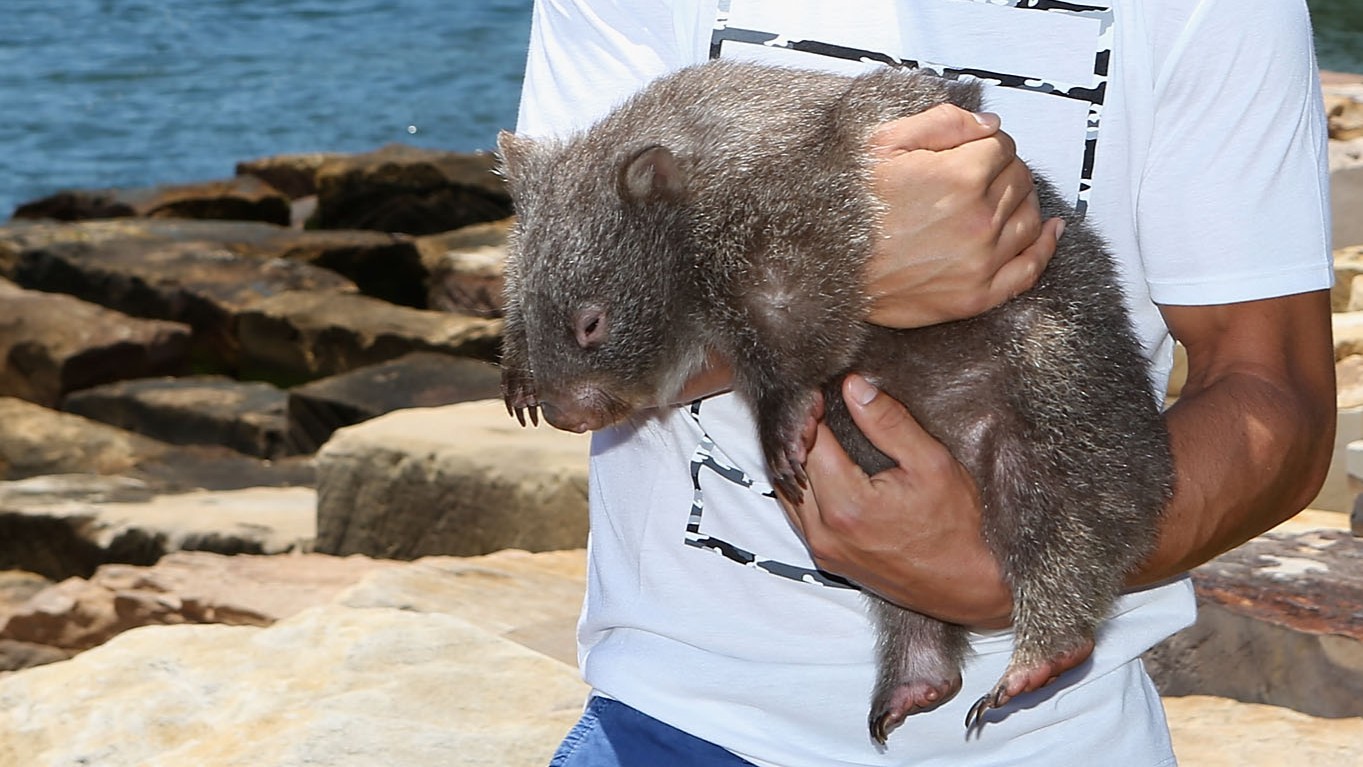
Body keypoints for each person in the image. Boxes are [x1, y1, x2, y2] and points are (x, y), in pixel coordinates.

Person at [511, 1, 1336, 765]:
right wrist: (861, 265)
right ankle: (917, 648)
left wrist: (1017, 571)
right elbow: (574, 294)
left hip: (1055, 741)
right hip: (672, 714)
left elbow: (1274, 400)